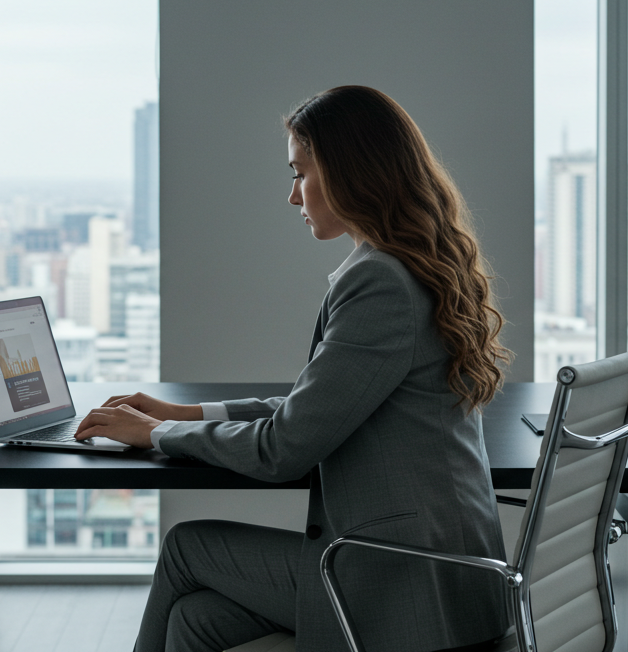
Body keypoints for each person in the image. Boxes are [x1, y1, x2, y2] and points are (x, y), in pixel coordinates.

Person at [75, 85, 512, 652]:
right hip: (444, 570)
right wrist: (184, 412)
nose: (292, 196)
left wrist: (157, 434)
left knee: (187, 547)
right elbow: (319, 409)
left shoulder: (379, 281)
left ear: (352, 172)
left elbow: (284, 449)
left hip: (402, 579)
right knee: (195, 619)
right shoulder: (410, 266)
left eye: (300, 173)